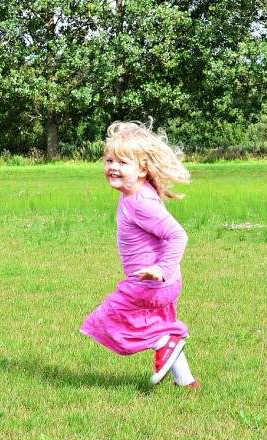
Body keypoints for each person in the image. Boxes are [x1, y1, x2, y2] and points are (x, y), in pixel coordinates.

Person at [81, 120, 199, 388]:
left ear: (142, 169)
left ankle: (161, 343)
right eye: (110, 160)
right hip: (165, 284)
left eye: (123, 162)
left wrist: (162, 269)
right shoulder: (134, 193)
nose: (112, 167)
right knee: (165, 326)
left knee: (108, 318)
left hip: (151, 283)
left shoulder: (141, 203)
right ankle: (186, 382)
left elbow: (178, 235)